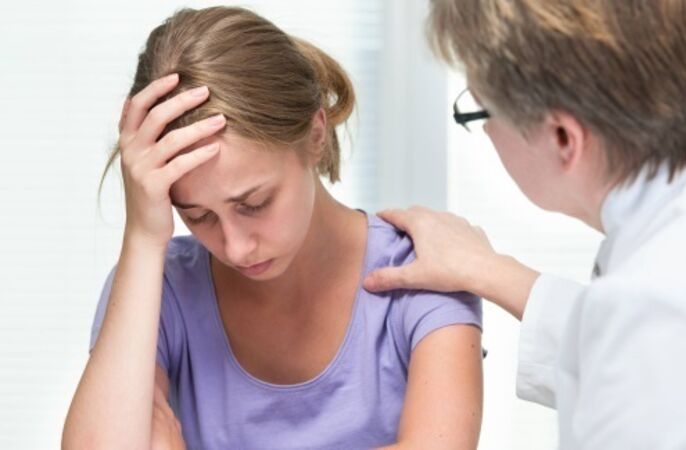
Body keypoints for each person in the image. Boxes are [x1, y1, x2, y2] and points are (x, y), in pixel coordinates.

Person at [363, 0, 686, 448]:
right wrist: (488, 269)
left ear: (563, 138)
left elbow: (651, 347)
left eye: (480, 111)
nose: (486, 133)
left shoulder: (663, 314)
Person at [62, 6, 483, 450]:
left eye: (254, 204)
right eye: (199, 216)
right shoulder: (157, 287)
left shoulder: (423, 273)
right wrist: (144, 238)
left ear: (315, 134)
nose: (236, 248)